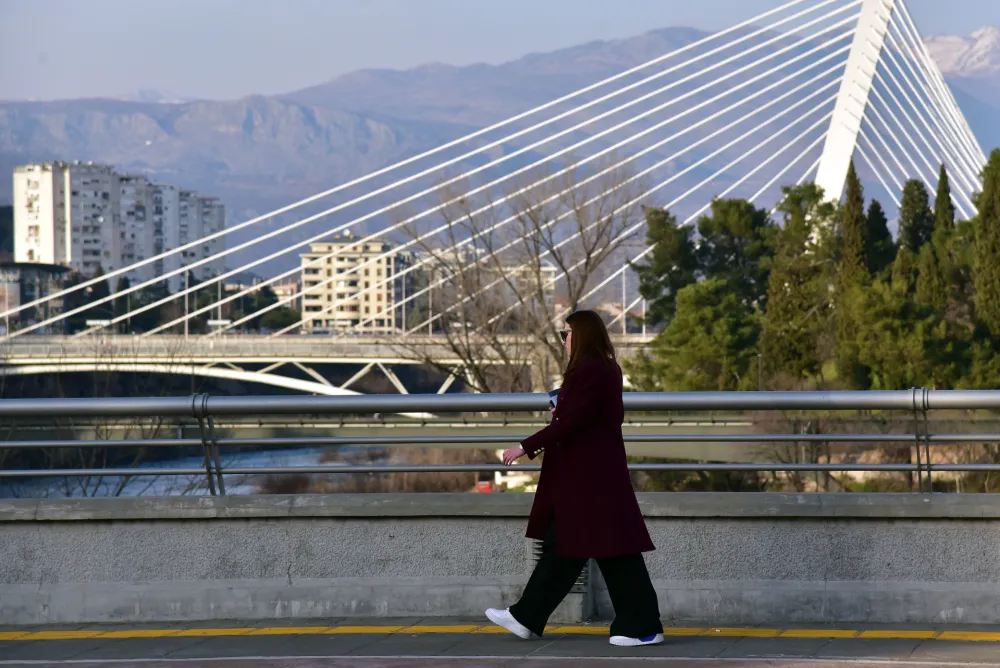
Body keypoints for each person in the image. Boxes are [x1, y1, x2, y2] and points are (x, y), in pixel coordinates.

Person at [485, 310, 664, 647]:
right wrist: (562, 412)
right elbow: (583, 417)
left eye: (565, 334)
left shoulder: (591, 370)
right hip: (589, 478)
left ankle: (643, 628)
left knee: (611, 551)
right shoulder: (598, 368)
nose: (563, 340)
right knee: (568, 547)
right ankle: (526, 617)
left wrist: (524, 446)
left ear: (581, 335)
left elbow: (572, 424)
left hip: (591, 480)